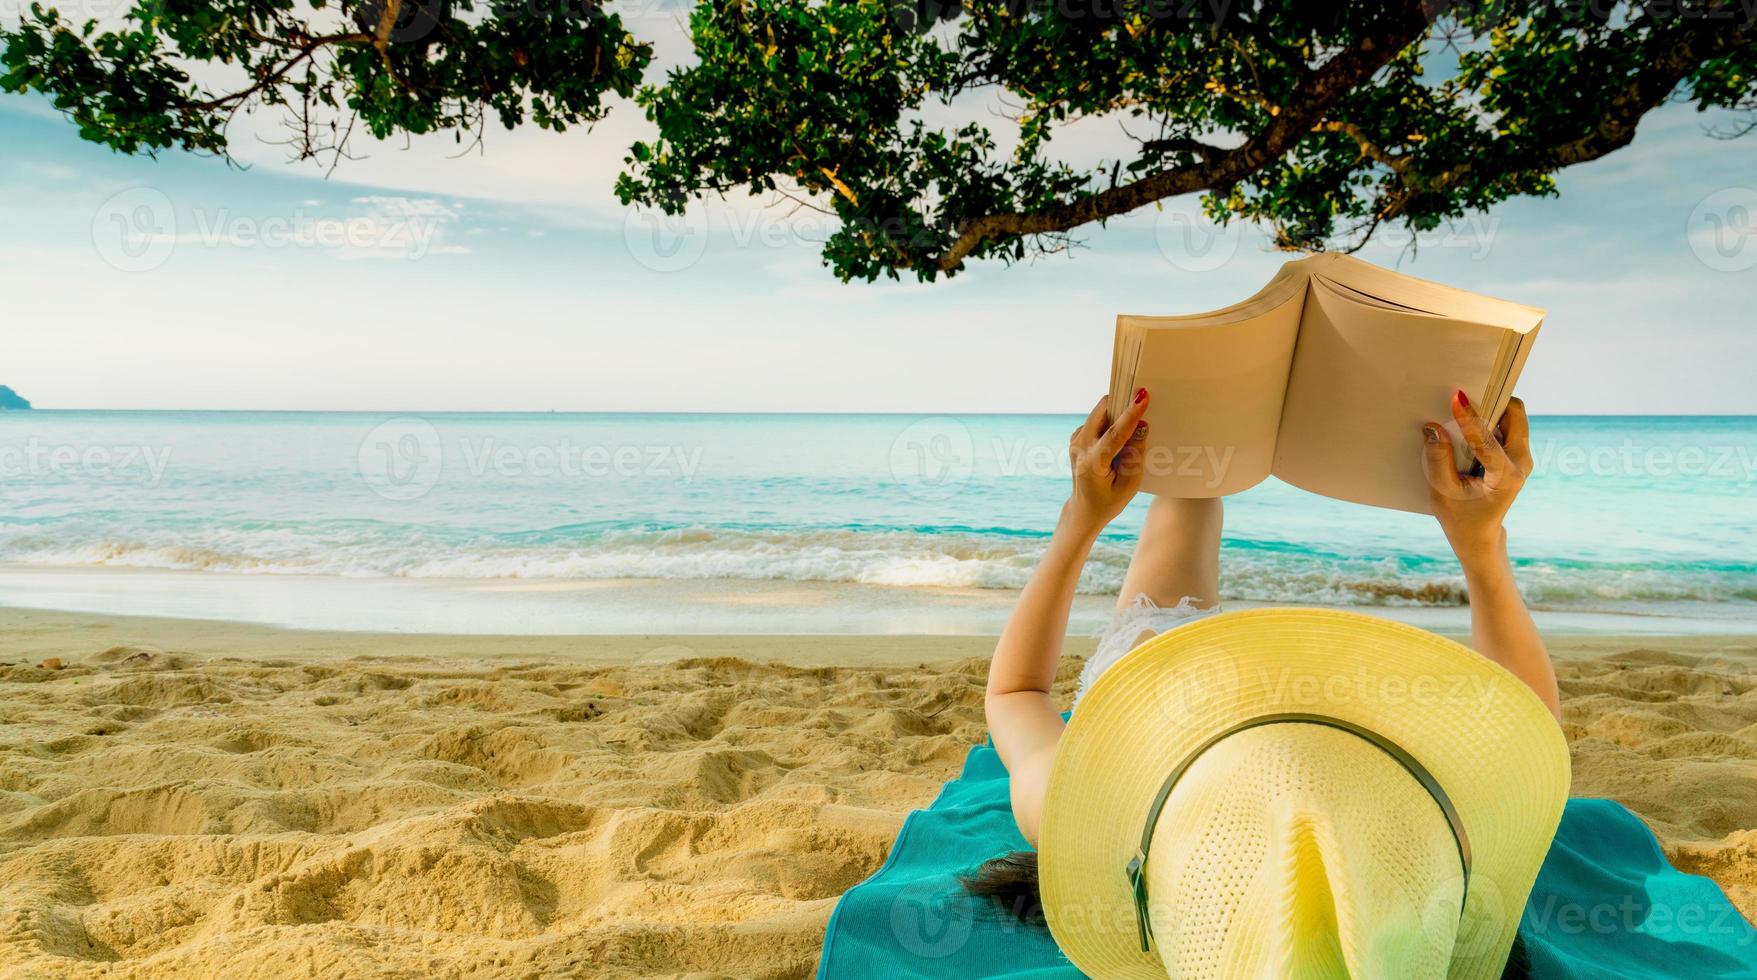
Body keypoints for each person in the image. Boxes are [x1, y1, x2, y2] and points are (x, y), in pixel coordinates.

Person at [963, 387, 1570, 979]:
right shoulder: (1411, 889)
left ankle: (1228, 389)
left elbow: (1015, 693)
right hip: (1186, 718)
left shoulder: (1073, 808)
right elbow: (1529, 734)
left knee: (1194, 482)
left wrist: (1081, 517)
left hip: (1176, 696)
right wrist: (1481, 545)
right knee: (1196, 472)